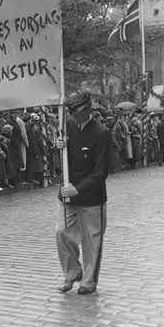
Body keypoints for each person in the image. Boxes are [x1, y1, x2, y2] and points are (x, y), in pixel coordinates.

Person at [55, 90, 112, 295]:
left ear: (88, 110)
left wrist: (78, 189)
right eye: (71, 113)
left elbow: (101, 172)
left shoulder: (101, 133)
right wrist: (59, 146)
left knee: (91, 241)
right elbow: (62, 159)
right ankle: (72, 272)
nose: (74, 116)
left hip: (90, 197)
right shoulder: (67, 127)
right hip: (67, 192)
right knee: (62, 232)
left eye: (78, 112)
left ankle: (88, 280)